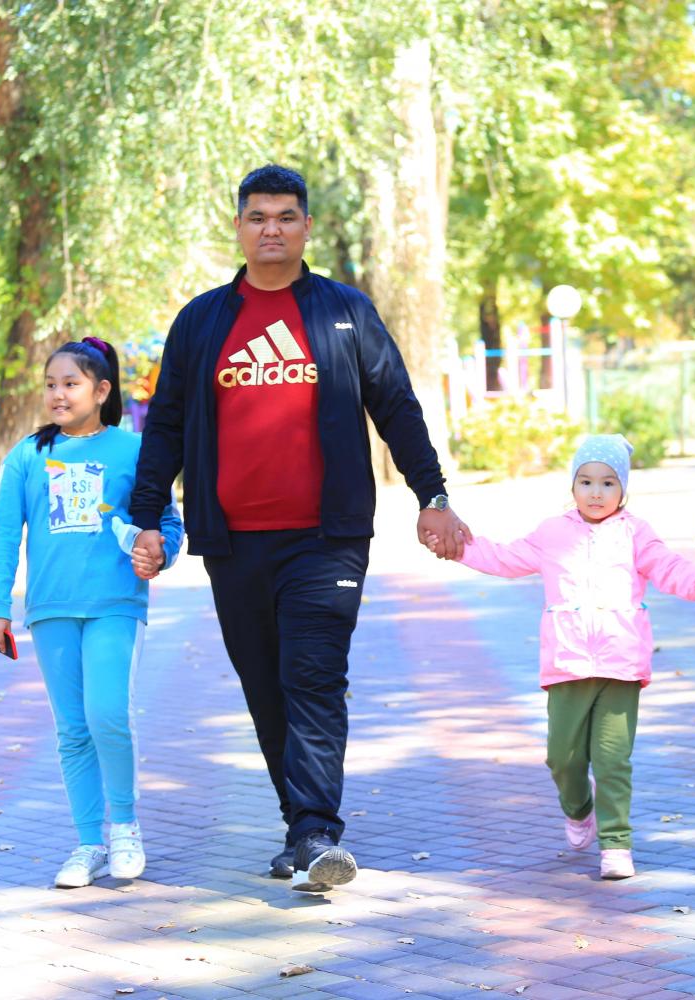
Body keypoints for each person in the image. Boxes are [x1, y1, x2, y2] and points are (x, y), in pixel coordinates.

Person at [128, 164, 469, 893]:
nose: (272, 229)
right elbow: (167, 426)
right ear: (239, 227)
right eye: (258, 217)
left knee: (312, 676)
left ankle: (317, 831)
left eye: (286, 216)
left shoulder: (345, 311)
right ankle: (301, 831)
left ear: (307, 226)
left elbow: (396, 404)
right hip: (233, 541)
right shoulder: (202, 321)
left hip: (327, 538)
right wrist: (147, 517)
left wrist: (432, 494)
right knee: (265, 686)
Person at [429, 434, 695, 879]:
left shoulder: (636, 533)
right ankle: (578, 807)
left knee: (612, 759)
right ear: (573, 486)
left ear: (623, 488)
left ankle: (616, 843)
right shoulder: (553, 532)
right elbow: (505, 558)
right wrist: (456, 547)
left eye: (608, 483)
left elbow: (668, 567)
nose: (596, 492)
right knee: (563, 758)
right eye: (586, 482)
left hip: (621, 664)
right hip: (567, 664)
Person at [0, 338, 184, 888]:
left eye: (70, 383)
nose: (58, 394)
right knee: (72, 728)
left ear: (101, 390)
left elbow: (166, 522)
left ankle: (126, 829)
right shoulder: (27, 455)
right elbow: (4, 534)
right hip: (50, 609)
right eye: (50, 384)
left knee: (108, 713)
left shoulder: (135, 449)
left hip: (115, 604)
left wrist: (160, 551)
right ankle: (89, 842)